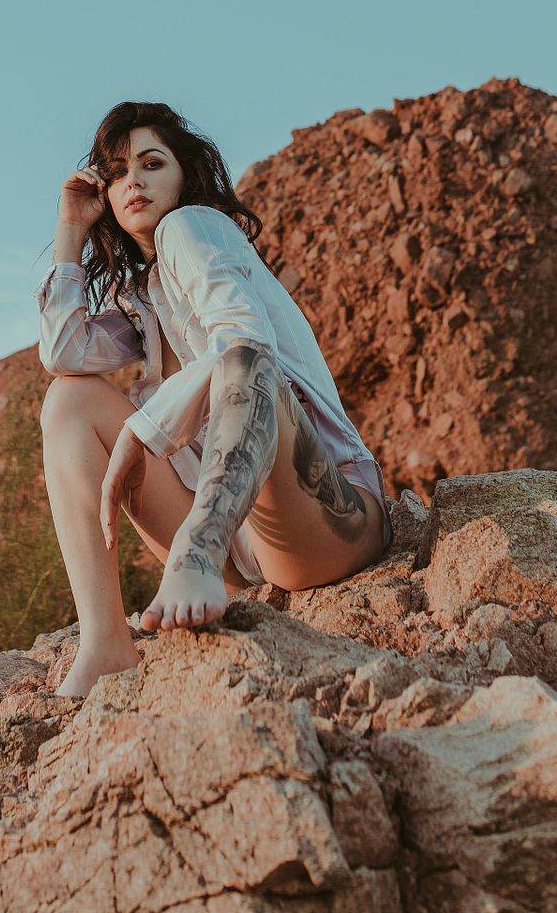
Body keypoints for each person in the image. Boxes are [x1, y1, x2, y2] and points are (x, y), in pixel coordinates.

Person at [35, 99, 393, 698]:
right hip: (245, 555)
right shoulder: (142, 300)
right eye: (119, 171)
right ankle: (105, 643)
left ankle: (195, 555)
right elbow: (64, 353)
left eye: (152, 164)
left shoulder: (194, 227)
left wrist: (143, 428)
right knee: (68, 404)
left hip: (327, 516)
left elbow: (245, 348)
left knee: (243, 364)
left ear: (185, 175)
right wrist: (70, 229)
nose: (133, 182)